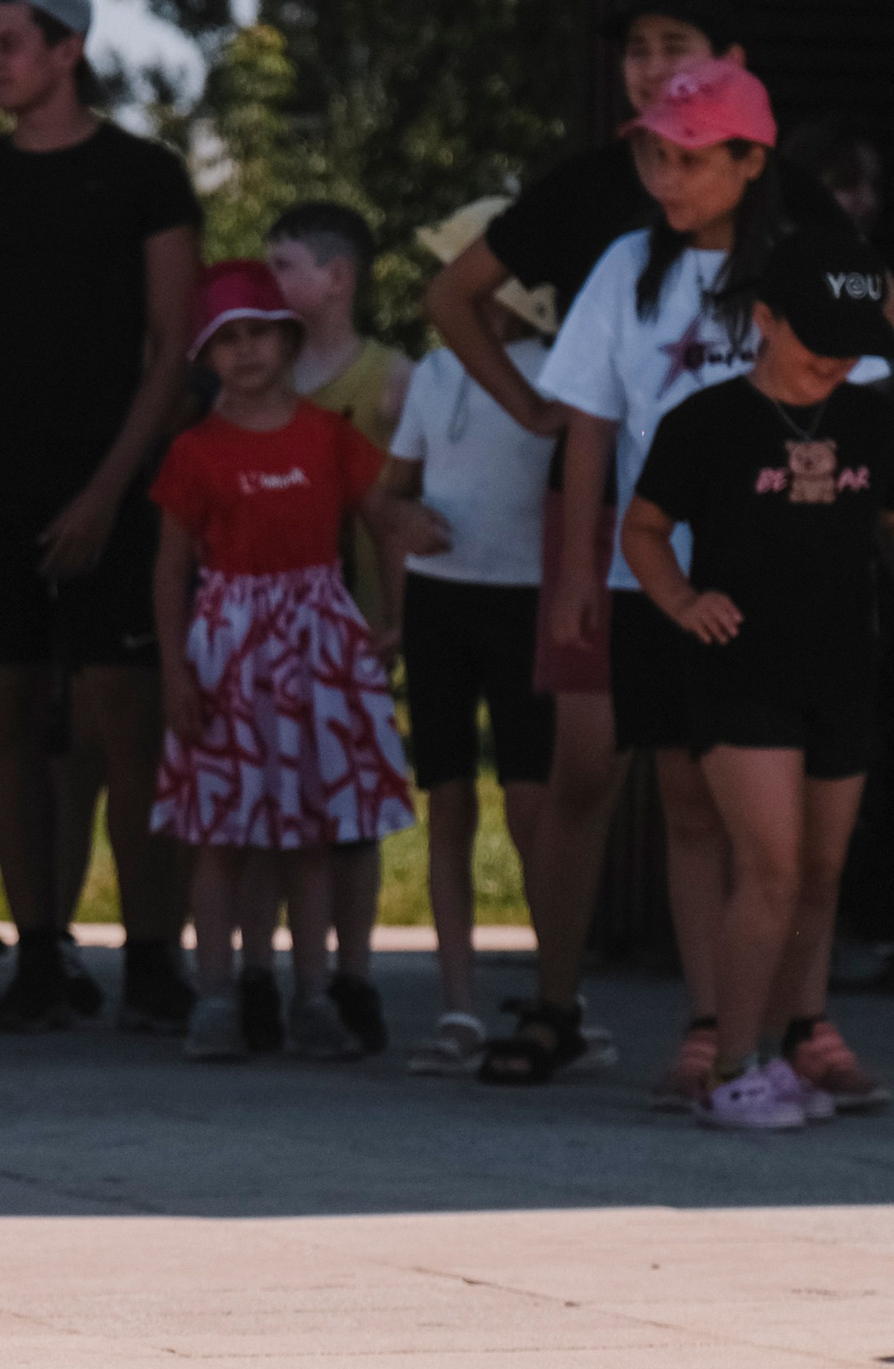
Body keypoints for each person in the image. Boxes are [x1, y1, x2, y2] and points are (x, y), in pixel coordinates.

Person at [421, 4, 877, 1089]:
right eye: (652, 154)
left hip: (795, 587)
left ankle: (795, 1030)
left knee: (801, 829)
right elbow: (585, 420)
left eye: (684, 154)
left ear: (744, 151)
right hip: (654, 579)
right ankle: (710, 1029)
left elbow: (869, 384)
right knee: (684, 799)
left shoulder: (806, 251)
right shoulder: (622, 256)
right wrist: (579, 571)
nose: (663, 174)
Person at [0, 0, 202, 1032]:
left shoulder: (146, 174)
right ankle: (38, 953)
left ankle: (156, 958)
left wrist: (108, 491)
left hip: (117, 480)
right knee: (9, 721)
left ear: (68, 50)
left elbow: (172, 350)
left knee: (128, 719)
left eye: (8, 44)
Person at [622, 231, 894, 1125]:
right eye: (818, 341)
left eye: (853, 346)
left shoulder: (870, 420)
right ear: (764, 320)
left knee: (819, 872)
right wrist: (682, 599)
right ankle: (728, 1066)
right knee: (769, 865)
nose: (835, 361)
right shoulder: (706, 423)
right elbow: (641, 531)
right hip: (739, 669)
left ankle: (793, 1043)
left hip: (841, 667)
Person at [149, 262, 409, 1063]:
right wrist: (176, 672)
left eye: (259, 331)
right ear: (207, 357)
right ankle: (220, 994)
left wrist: (389, 620)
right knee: (222, 829)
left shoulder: (330, 435)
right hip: (228, 645)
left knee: (315, 827)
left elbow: (385, 521)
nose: (247, 352)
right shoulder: (195, 451)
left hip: (320, 642)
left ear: (289, 337)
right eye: (226, 340)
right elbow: (169, 568)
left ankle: (315, 993)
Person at [380, 199, 561, 1073]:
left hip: (527, 601)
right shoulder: (432, 372)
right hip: (439, 603)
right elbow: (388, 492)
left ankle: (560, 995)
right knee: (446, 802)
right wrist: (403, 518)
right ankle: (459, 1004)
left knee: (534, 809)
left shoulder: (563, 371)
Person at [267, 201, 412, 1054]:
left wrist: (397, 615)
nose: (272, 281)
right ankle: (297, 976)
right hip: (273, 636)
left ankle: (352, 974)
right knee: (282, 810)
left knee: (351, 809)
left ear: (339, 277)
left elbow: (403, 509)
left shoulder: (393, 378)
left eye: (287, 265)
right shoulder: (261, 380)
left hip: (355, 627)